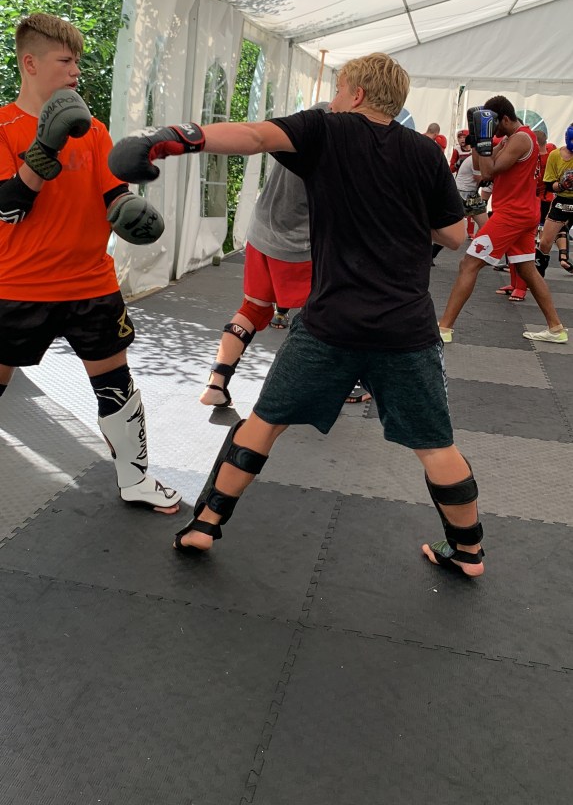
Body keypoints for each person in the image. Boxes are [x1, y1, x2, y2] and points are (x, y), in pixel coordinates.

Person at [109, 52, 485, 578]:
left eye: (338, 89)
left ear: (355, 94)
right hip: (406, 328)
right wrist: (400, 212)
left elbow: (254, 136)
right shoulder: (425, 151)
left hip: (330, 323)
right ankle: (468, 553)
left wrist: (174, 137)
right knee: (436, 445)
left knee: (264, 423)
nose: (333, 99)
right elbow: (455, 235)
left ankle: (205, 525)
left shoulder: (325, 128)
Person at [0, 13, 181, 513]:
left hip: (91, 284)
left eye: (78, 61)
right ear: (30, 63)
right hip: (17, 286)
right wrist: (46, 145)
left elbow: (111, 192)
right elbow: (8, 207)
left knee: (117, 387)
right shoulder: (2, 127)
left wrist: (130, 211)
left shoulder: (95, 130)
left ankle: (136, 480)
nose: (76, 70)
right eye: (65, 60)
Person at [199, 104, 329, 408]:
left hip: (261, 232)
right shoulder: (336, 129)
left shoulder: (304, 122)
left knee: (254, 309)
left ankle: (216, 382)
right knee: (327, 315)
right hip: (296, 242)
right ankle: (330, 386)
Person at [438, 97, 567, 344]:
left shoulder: (521, 139)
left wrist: (485, 142)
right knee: (527, 269)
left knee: (468, 263)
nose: (493, 132)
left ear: (504, 119)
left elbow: (488, 173)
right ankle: (555, 328)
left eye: (493, 126)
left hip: (512, 215)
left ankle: (444, 328)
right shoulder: (511, 138)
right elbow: (479, 166)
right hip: (522, 212)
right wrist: (477, 138)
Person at [535, 125, 573, 275]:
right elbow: (549, 185)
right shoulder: (555, 155)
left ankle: (563, 257)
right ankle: (537, 277)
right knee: (545, 242)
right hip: (562, 201)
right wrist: (563, 185)